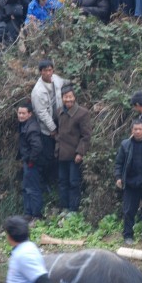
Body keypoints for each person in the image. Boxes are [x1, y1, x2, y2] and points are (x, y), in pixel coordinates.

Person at [55, 84, 92, 214]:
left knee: (74, 182)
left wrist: (80, 152)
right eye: (66, 97)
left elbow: (86, 136)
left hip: (74, 154)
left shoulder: (82, 113)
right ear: (62, 98)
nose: (68, 100)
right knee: (62, 182)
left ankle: (73, 209)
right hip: (61, 153)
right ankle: (64, 207)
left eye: (70, 97)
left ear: (74, 97)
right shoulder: (59, 112)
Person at [30, 59, 65, 184]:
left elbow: (64, 84)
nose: (49, 73)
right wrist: (53, 130)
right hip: (46, 128)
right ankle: (47, 181)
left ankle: (57, 178)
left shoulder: (56, 79)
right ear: (41, 72)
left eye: (50, 70)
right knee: (48, 155)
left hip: (59, 118)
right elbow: (42, 113)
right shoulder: (38, 91)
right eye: (46, 71)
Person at [16, 102, 43, 222]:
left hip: (33, 163)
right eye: (19, 113)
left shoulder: (32, 128)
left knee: (33, 188)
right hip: (27, 161)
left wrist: (31, 161)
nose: (21, 115)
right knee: (26, 188)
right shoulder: (23, 125)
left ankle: (36, 215)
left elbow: (37, 147)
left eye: (23, 113)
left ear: (30, 114)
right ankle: (28, 213)